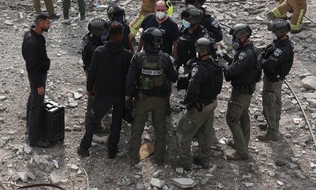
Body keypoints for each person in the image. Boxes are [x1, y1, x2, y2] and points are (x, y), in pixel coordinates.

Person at [78, 21, 132, 159]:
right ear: (121, 36)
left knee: (94, 120)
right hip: (119, 94)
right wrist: (129, 94)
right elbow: (129, 76)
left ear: (109, 35)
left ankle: (84, 147)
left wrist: (89, 89)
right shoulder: (126, 55)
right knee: (116, 123)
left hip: (102, 93)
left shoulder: (99, 51)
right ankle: (112, 150)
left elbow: (92, 73)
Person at [125, 27, 178, 166]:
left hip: (142, 99)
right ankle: (159, 159)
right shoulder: (165, 58)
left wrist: (129, 97)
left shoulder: (138, 58)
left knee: (137, 130)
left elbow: (130, 81)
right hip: (160, 100)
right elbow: (174, 77)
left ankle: (133, 158)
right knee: (160, 130)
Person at [175, 37, 223, 169]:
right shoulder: (216, 66)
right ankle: (204, 160)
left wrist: (186, 103)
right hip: (211, 103)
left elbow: (193, 90)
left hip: (199, 107)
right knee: (205, 133)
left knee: (183, 132)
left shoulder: (199, 69)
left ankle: (185, 163)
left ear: (201, 51)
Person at [222, 23, 261, 160]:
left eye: (236, 37)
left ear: (243, 36)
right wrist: (228, 59)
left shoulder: (245, 53)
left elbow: (232, 72)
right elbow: (239, 64)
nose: (234, 40)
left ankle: (242, 151)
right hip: (248, 89)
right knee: (244, 116)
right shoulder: (253, 50)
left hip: (241, 91)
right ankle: (242, 144)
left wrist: (223, 64)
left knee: (232, 119)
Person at [259, 18, 294, 142]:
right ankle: (273, 125)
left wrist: (258, 60)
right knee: (276, 102)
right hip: (277, 80)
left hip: (272, 80)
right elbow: (267, 50)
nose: (272, 33)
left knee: (269, 105)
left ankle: (272, 132)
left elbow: (269, 64)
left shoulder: (282, 49)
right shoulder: (279, 43)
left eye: (274, 31)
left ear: (281, 32)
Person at [22, 12, 53, 148]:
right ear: (40, 23)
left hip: (38, 74)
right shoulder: (32, 41)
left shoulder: (35, 36)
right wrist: (39, 84)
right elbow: (31, 66)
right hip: (37, 76)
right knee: (37, 105)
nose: (49, 25)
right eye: (47, 23)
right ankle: (34, 139)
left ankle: (30, 126)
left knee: (33, 98)